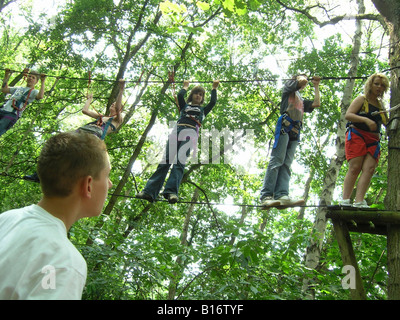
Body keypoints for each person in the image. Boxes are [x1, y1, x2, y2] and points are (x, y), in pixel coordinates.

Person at [0, 131, 112, 299]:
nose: (110, 184)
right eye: (107, 175)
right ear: (88, 185)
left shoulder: (7, 219)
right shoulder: (65, 263)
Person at [23, 79, 125, 182]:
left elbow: (118, 106)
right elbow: (85, 110)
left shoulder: (117, 120)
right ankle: (39, 175)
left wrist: (121, 89)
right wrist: (89, 99)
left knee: (74, 156)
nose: (113, 105)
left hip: (93, 136)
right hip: (80, 131)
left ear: (120, 109)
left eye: (115, 105)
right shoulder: (101, 116)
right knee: (59, 148)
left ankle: (65, 177)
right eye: (112, 103)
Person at [136, 79, 220, 204]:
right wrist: (185, 86)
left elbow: (213, 102)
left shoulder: (203, 111)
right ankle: (149, 191)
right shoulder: (184, 107)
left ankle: (171, 192)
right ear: (192, 95)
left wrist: (214, 88)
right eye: (196, 93)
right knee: (166, 161)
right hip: (177, 131)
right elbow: (180, 95)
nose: (198, 95)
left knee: (179, 163)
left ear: (202, 99)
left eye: (201, 95)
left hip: (190, 133)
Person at [260, 74, 321, 208]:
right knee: (277, 160)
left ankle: (282, 194)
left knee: (286, 163)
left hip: (295, 131)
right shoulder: (288, 89)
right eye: (300, 79)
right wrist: (302, 79)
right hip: (284, 127)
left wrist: (316, 86)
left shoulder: (301, 100)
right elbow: (298, 82)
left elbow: (316, 103)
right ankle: (266, 196)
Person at [340, 73, 389, 208]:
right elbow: (348, 115)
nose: (379, 87)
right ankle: (345, 200)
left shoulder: (380, 106)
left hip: (373, 140)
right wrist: (366, 120)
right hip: (357, 134)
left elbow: (387, 123)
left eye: (382, 85)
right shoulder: (362, 99)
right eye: (377, 84)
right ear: (370, 85)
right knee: (355, 167)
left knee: (369, 168)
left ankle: (359, 201)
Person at [0, 68, 46, 136]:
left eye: (33, 78)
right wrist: (6, 75)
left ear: (36, 82)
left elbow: (40, 96)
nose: (30, 78)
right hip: (2, 109)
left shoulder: (34, 92)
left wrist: (43, 82)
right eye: (29, 76)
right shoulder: (19, 88)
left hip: (12, 114)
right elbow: (4, 89)